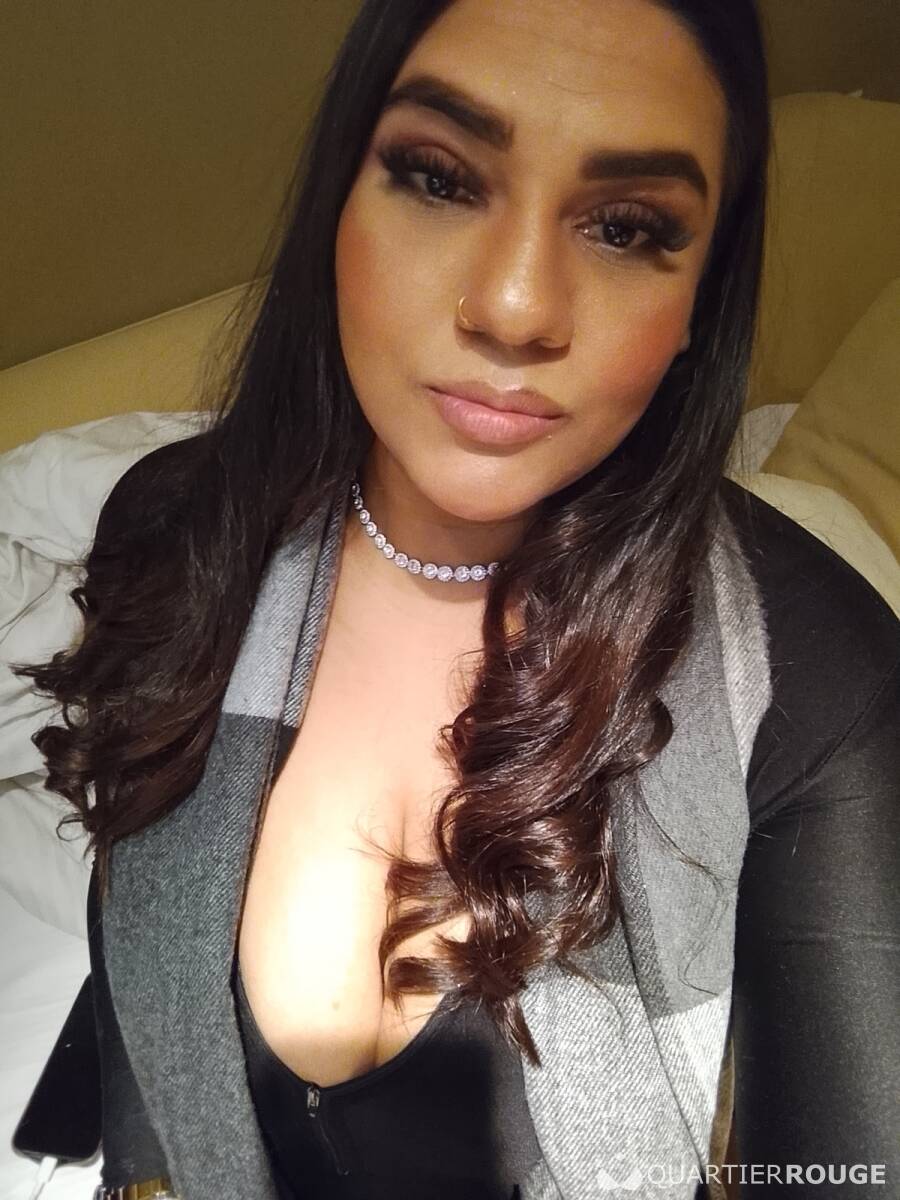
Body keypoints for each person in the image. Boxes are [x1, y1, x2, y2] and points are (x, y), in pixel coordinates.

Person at [18, 1, 898, 1198]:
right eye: (439, 178)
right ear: (341, 196)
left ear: (701, 294)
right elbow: (140, 977)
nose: (517, 306)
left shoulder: (825, 685)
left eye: (627, 227)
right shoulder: (175, 528)